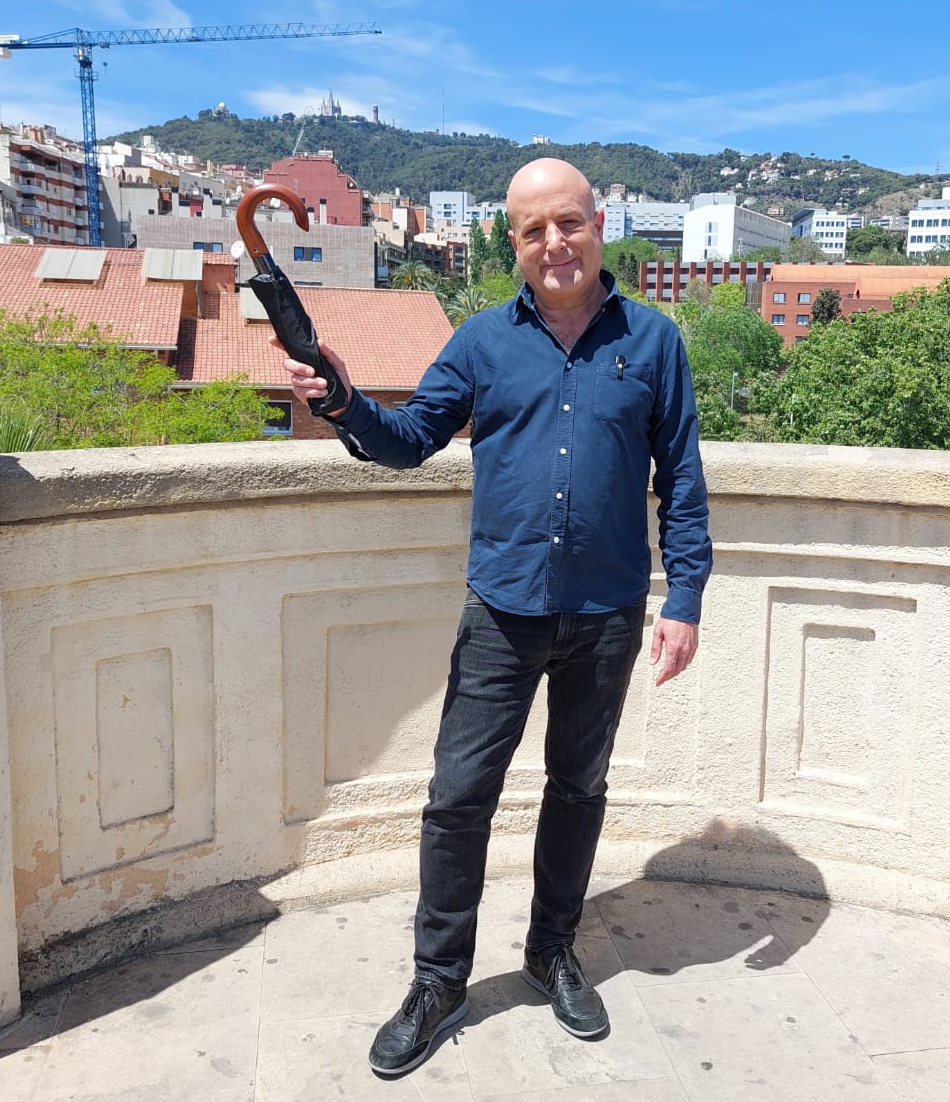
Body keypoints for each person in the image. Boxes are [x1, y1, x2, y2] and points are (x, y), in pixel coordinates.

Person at [273, 157, 711, 1078]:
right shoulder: (479, 343)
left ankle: (552, 950)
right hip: (501, 614)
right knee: (456, 799)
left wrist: (685, 597)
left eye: (568, 223)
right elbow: (410, 440)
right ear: (511, 242)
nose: (553, 243)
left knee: (578, 790)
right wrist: (348, 401)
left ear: (599, 223)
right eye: (531, 230)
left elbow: (681, 481)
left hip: (606, 614)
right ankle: (439, 980)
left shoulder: (656, 343)